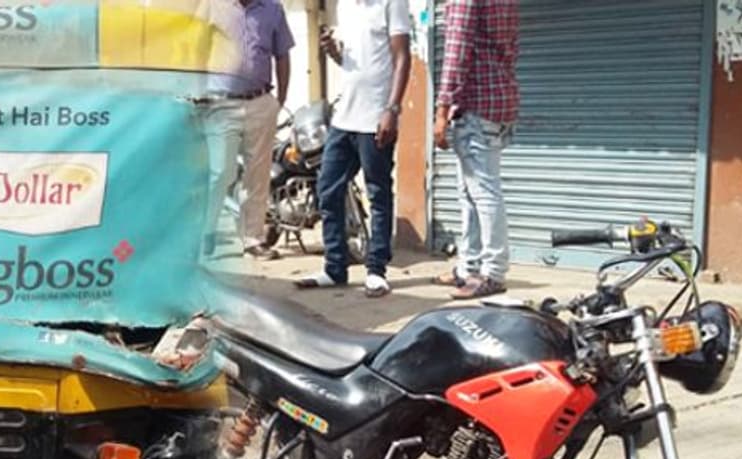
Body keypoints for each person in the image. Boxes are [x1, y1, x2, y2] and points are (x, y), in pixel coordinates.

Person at [294, 0, 411, 298]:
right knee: (328, 190)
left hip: (375, 118)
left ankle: (376, 270)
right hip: (344, 117)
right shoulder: (345, 6)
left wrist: (392, 110)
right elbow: (351, 61)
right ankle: (335, 268)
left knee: (378, 193)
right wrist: (333, 51)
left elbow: (401, 58)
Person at [431, 0, 519, 300]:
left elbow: (456, 52)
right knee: (469, 193)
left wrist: (441, 110)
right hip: (499, 100)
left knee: (482, 191)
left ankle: (493, 272)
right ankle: (468, 266)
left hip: (477, 105)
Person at [197, 0, 294, 260]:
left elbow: (282, 54)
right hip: (221, 103)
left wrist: (280, 100)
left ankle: (253, 239)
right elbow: (196, 51)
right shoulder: (212, 6)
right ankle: (206, 233)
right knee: (221, 172)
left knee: (258, 176)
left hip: (261, 102)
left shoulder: (272, 9)